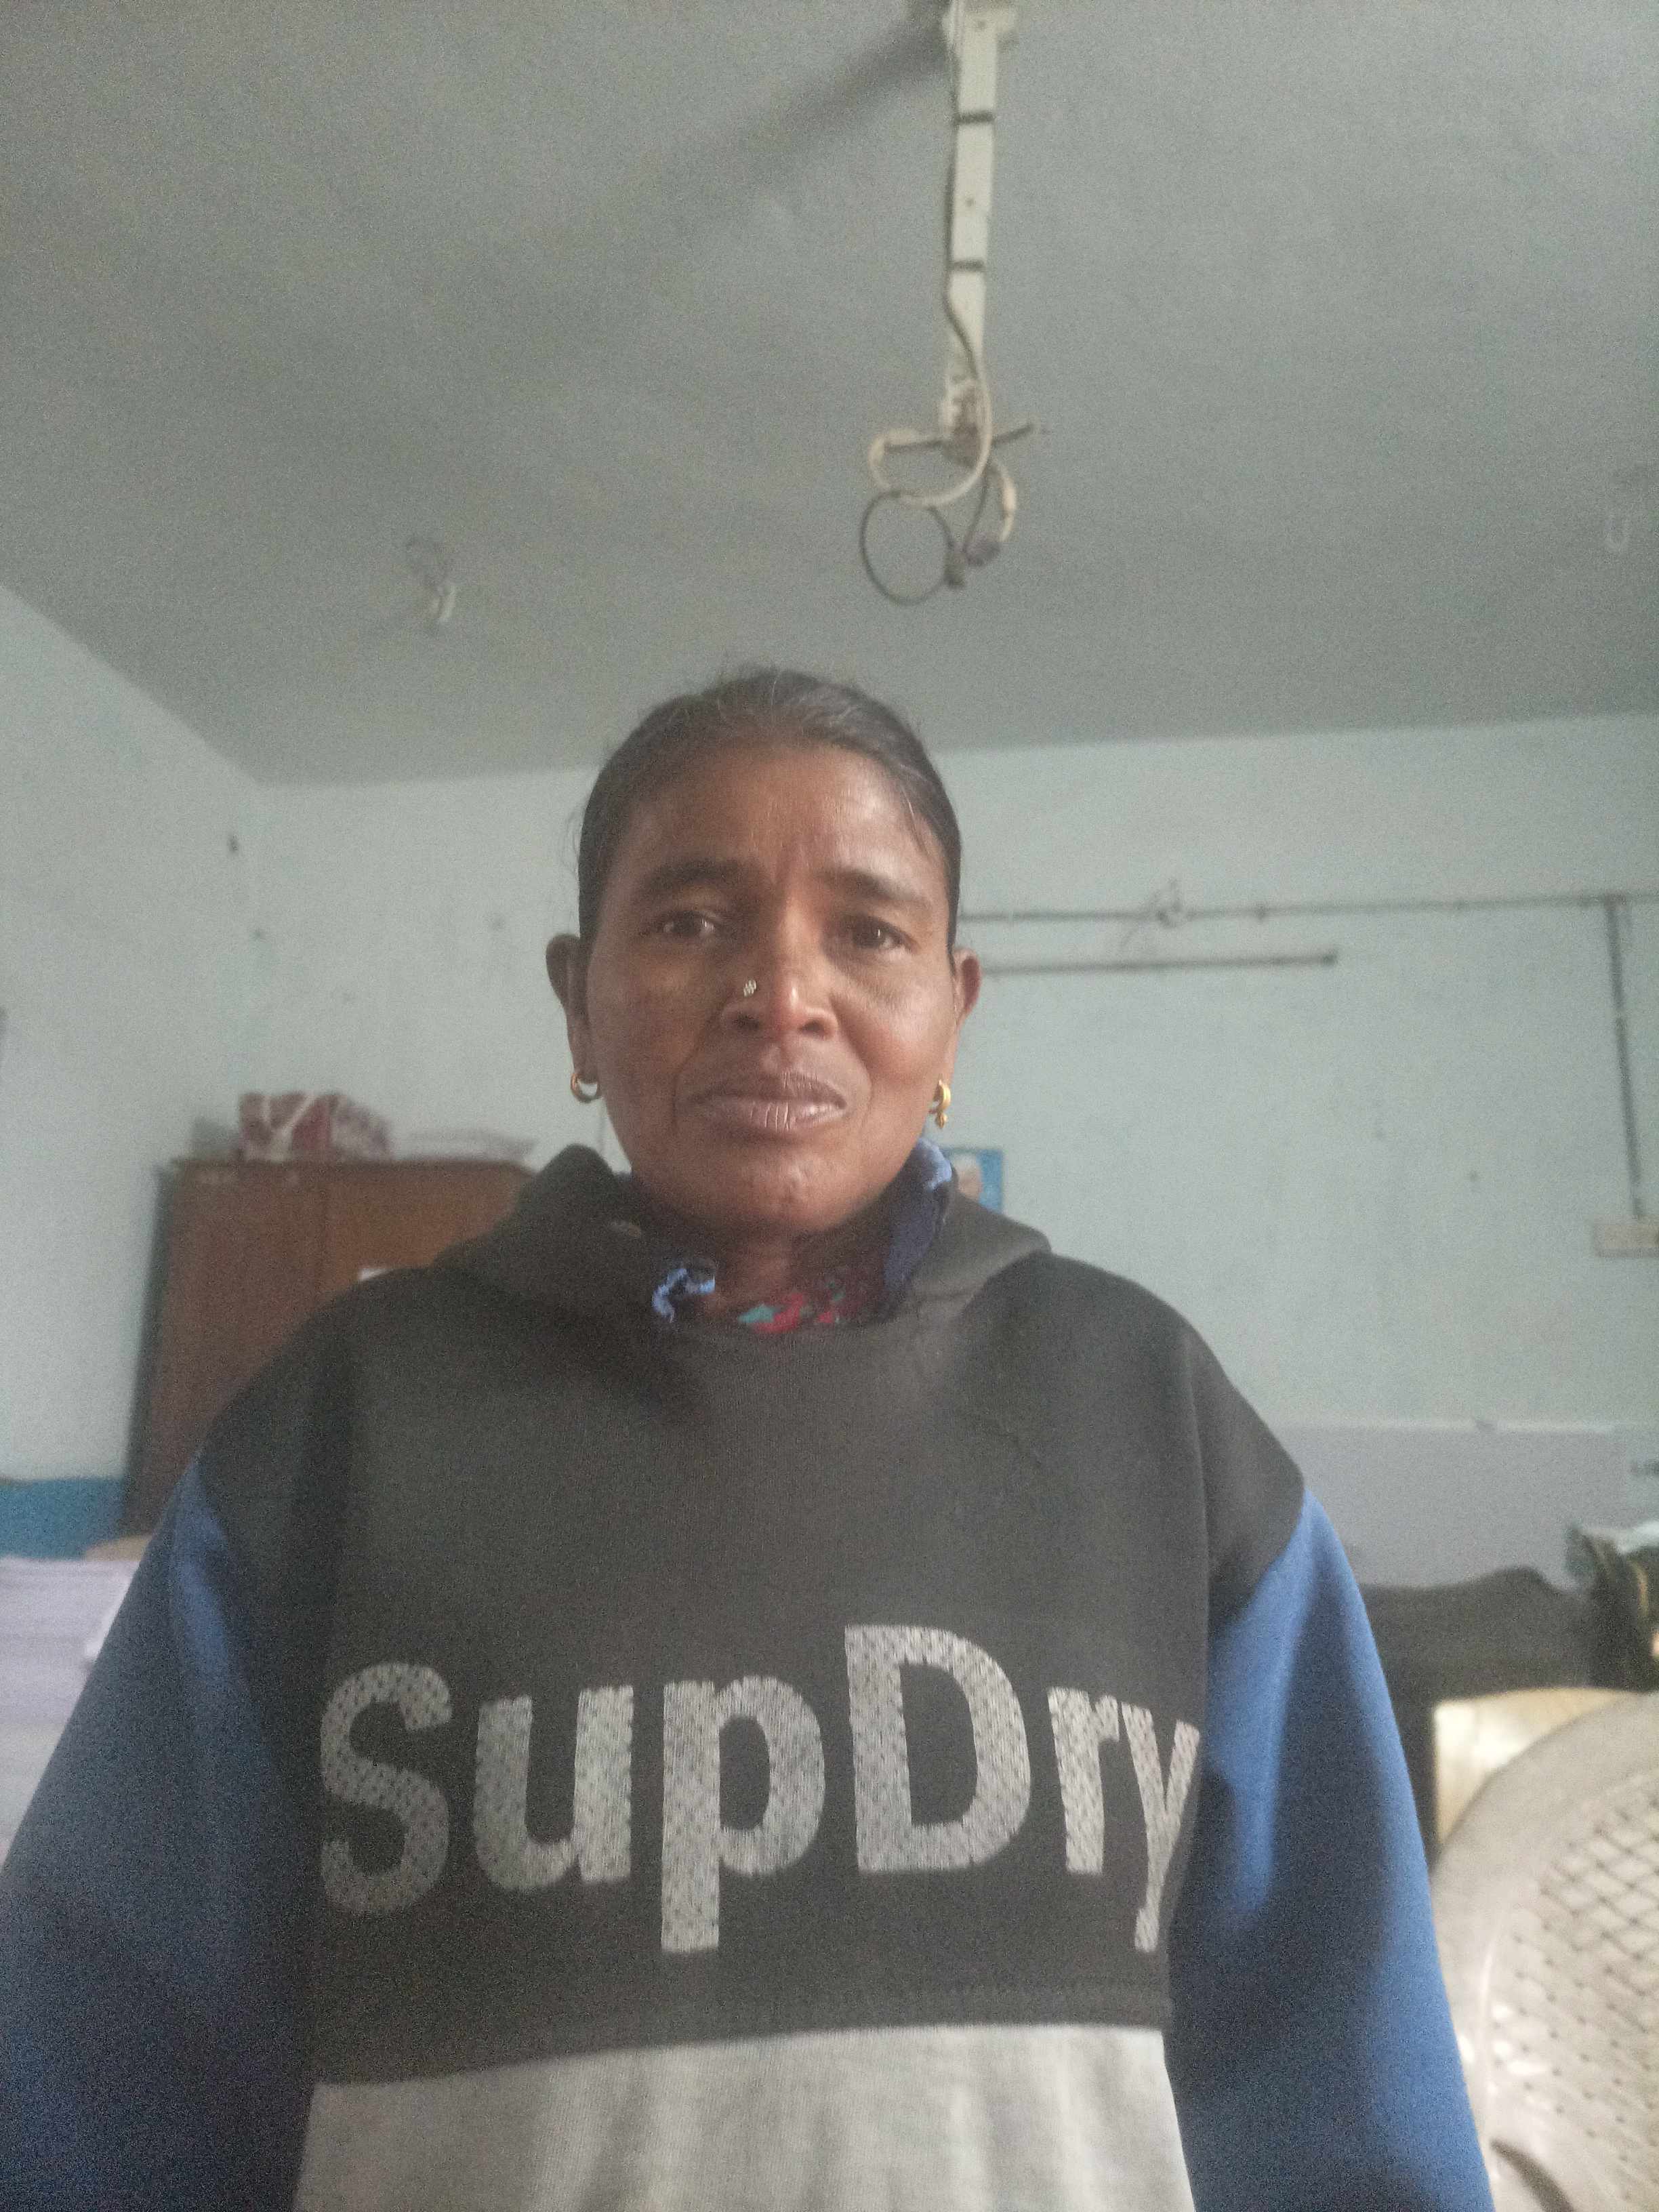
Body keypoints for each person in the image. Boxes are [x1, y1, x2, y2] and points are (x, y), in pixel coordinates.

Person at [0, 668, 1492, 2211]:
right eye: (691, 921)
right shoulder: (344, 1424)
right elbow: (102, 2072)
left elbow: (1340, 2082)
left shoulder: (1153, 1415)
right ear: (579, 999)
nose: (782, 994)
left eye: (870, 932)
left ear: (953, 1009)